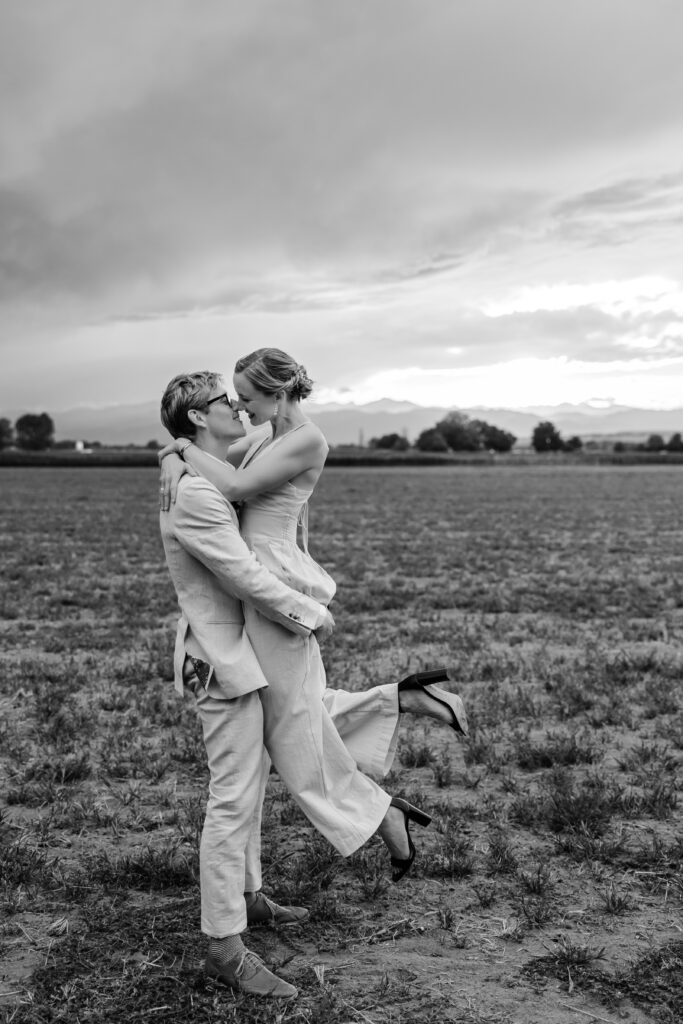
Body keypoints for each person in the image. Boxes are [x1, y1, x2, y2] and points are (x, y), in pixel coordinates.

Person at [158, 370, 432, 1000]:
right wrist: (311, 612)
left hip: (241, 655)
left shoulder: (199, 468)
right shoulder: (196, 492)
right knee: (232, 799)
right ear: (199, 419)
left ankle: (250, 898)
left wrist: (174, 453)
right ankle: (224, 948)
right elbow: (242, 573)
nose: (236, 405)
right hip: (221, 662)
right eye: (224, 401)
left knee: (254, 781)